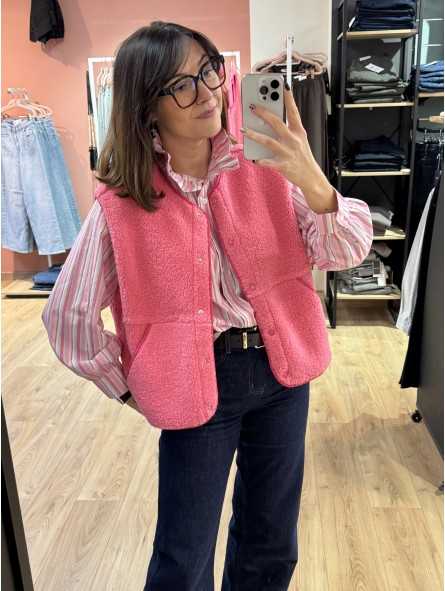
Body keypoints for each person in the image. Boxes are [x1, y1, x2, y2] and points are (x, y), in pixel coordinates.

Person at [42, 21, 373, 591]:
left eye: (209, 71)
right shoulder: (124, 202)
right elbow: (68, 320)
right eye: (181, 85)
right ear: (147, 108)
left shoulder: (267, 166)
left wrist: (311, 176)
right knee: (183, 557)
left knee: (272, 541)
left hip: (282, 372)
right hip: (195, 384)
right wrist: (130, 388)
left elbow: (344, 250)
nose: (207, 93)